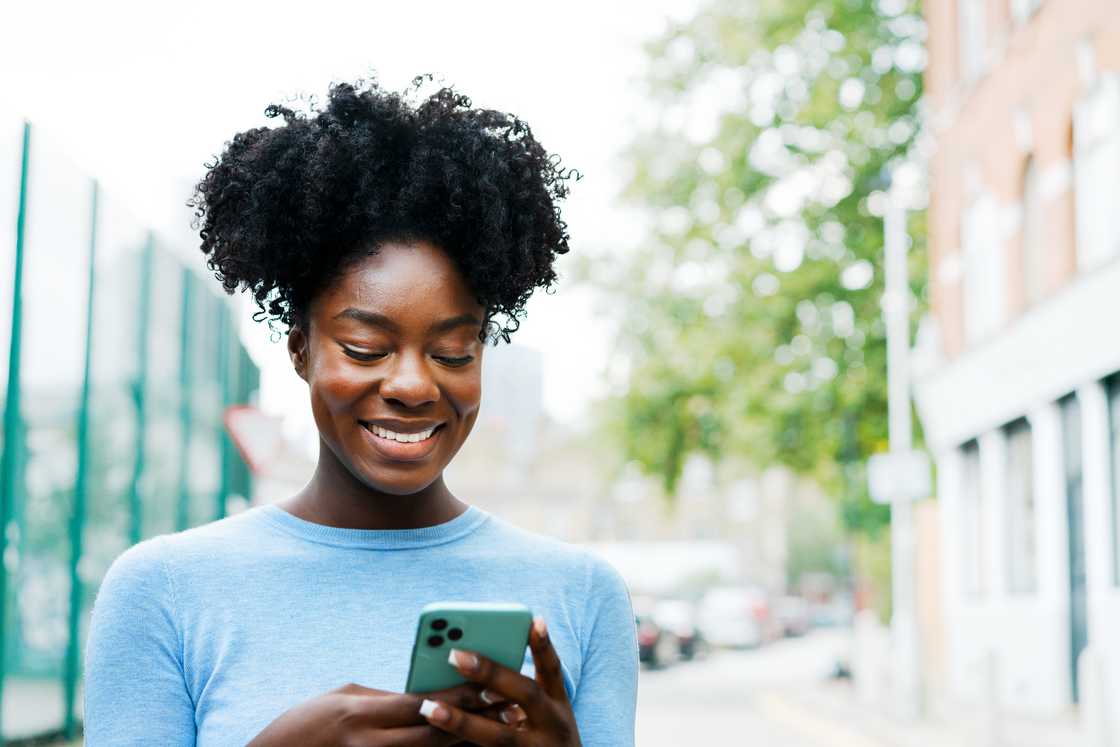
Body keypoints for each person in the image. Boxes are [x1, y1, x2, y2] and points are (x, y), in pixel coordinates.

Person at [83, 78, 638, 747]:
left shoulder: (582, 594)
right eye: (365, 347)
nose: (412, 383)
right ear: (300, 349)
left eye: (454, 351)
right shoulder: (164, 591)